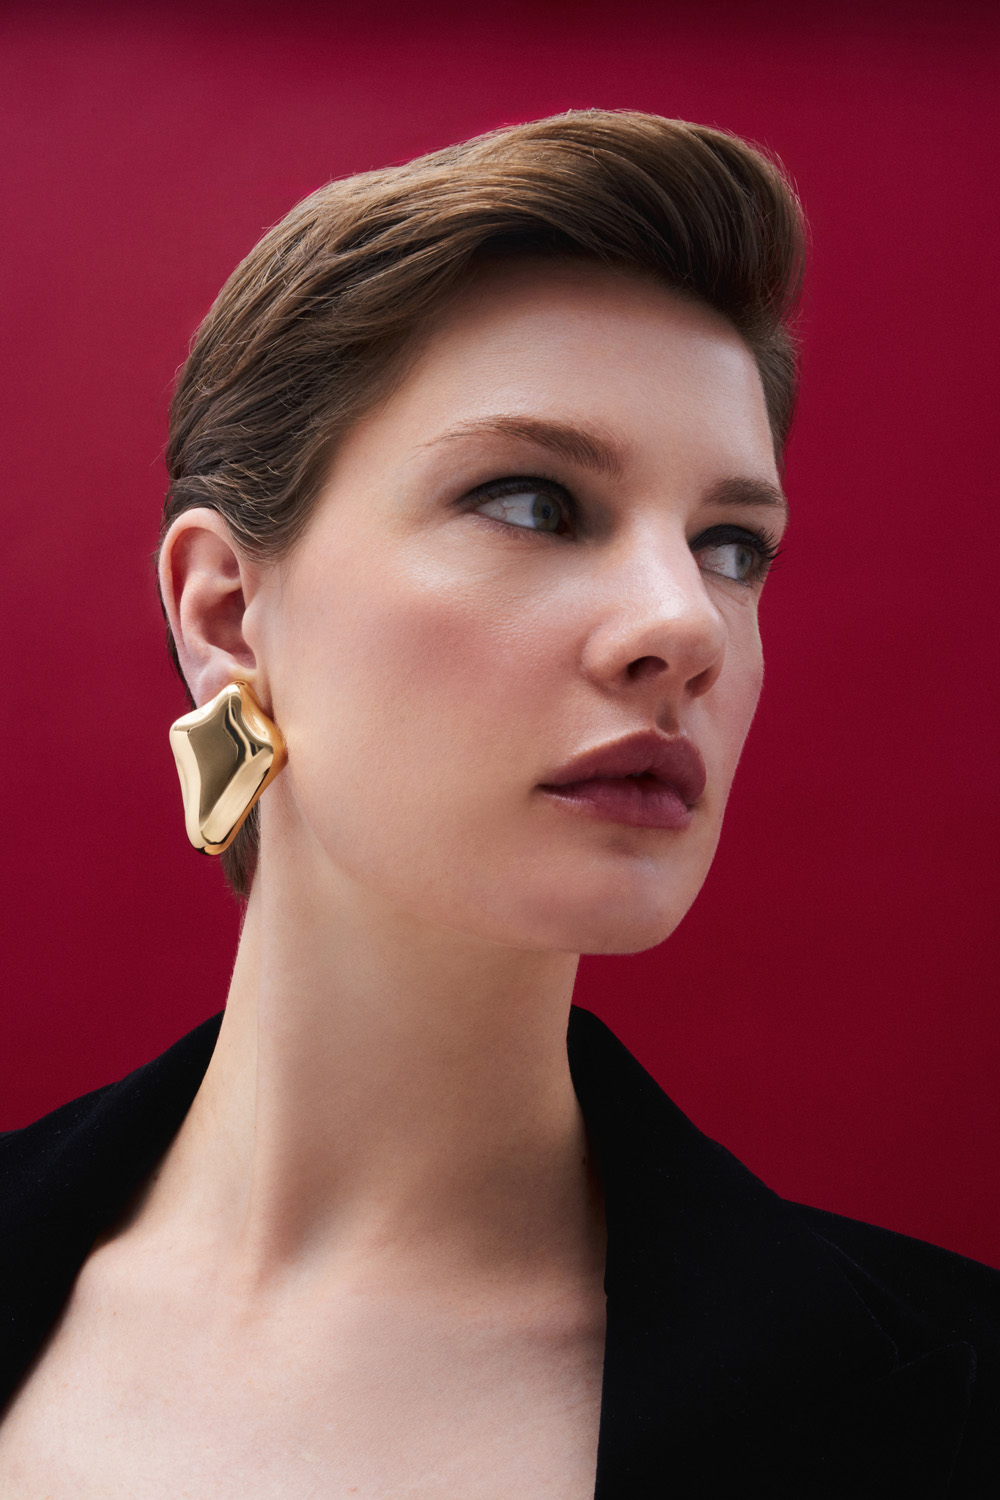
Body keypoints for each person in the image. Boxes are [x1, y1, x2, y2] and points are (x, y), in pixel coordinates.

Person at [0, 110, 996, 1498]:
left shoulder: (954, 1410)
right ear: (226, 613)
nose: (683, 625)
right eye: (536, 503)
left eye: (731, 545)